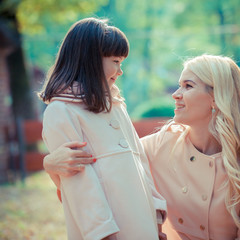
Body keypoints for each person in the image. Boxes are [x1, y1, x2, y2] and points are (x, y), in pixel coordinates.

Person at [44, 54, 240, 240]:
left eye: (188, 86)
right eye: (179, 85)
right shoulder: (160, 146)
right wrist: (50, 164)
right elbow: (104, 173)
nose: (175, 95)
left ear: (216, 97)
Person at [39, 17, 166, 240]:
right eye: (116, 61)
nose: (120, 70)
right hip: (109, 230)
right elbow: (79, 184)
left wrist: (155, 217)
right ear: (90, 60)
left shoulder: (116, 105)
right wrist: (102, 233)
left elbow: (140, 163)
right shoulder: (61, 111)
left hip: (142, 223)